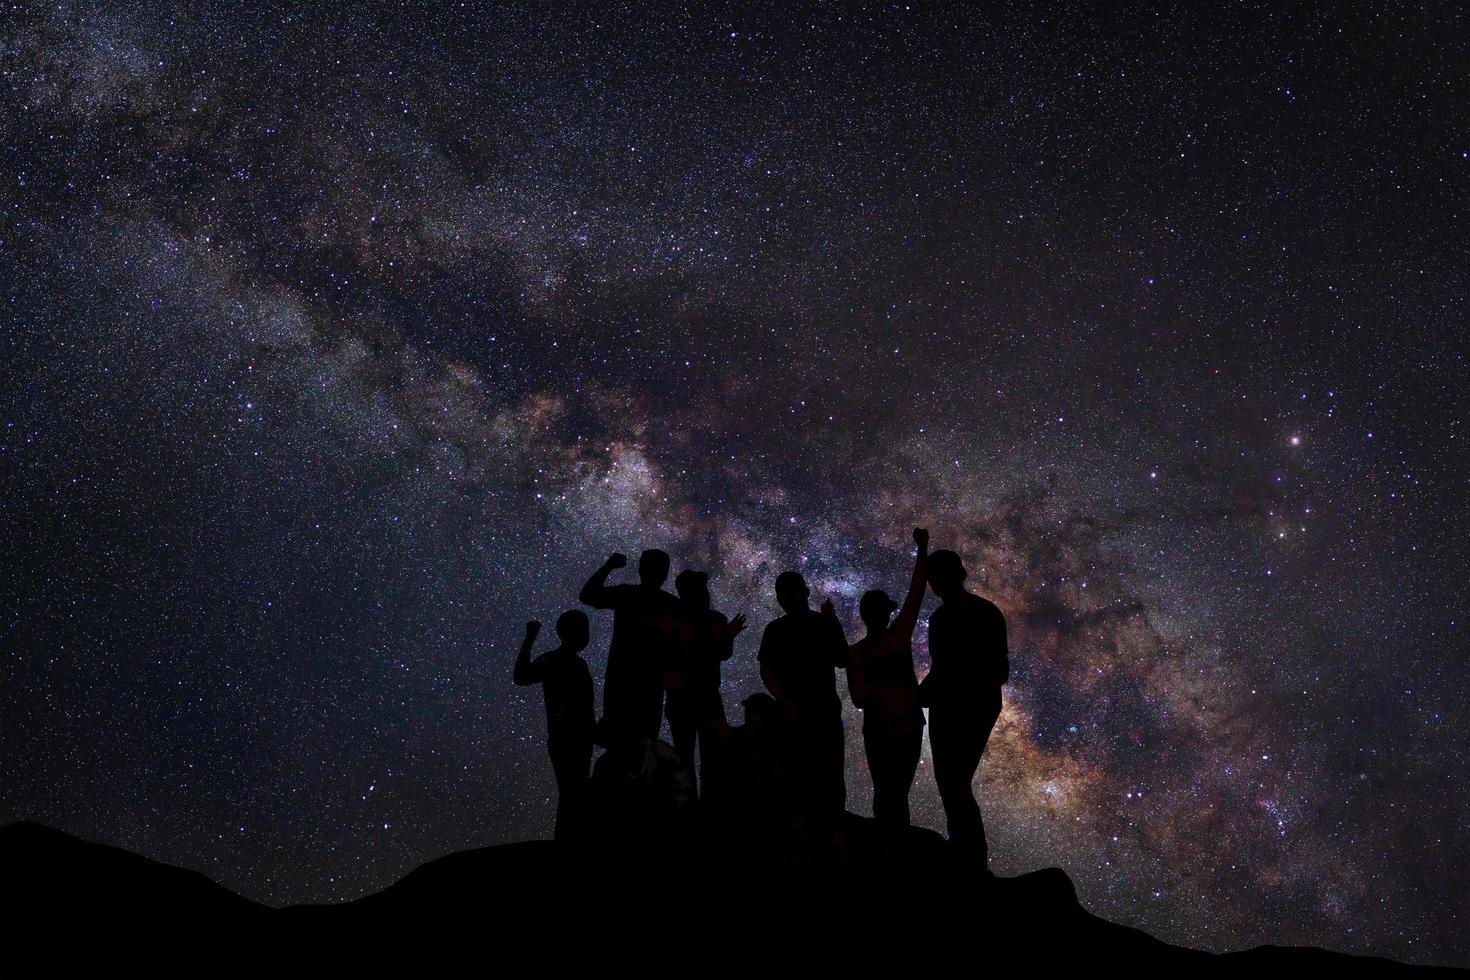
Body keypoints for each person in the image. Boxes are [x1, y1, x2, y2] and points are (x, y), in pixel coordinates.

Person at [921, 547, 1009, 870]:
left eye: (939, 575)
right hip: (949, 706)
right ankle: (966, 853)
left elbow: (999, 670)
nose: (936, 583)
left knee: (954, 781)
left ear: (959, 574)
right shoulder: (940, 619)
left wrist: (947, 684)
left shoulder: (985, 614)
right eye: (932, 578)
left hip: (972, 705)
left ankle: (970, 859)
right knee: (950, 781)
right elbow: (939, 667)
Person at [847, 528, 928, 828]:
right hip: (896, 728)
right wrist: (922, 549)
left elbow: (916, 593)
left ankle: (890, 849)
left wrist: (923, 550)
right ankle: (893, 851)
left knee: (889, 794)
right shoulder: (890, 641)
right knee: (890, 794)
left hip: (894, 728)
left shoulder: (860, 652)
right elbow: (915, 594)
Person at [757, 571, 849, 824]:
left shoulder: (775, 629)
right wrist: (832, 619)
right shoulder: (823, 623)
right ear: (806, 592)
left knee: (798, 777)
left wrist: (783, 700)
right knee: (829, 778)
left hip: (796, 714)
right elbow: (842, 659)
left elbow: (766, 670)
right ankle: (832, 832)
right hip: (823, 712)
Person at [580, 550, 681, 744]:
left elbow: (588, 595)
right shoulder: (672, 605)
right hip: (648, 685)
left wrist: (608, 566)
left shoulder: (627, 594)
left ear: (641, 569)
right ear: (665, 573)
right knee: (643, 746)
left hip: (624, 682)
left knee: (619, 745)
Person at [512, 612, 595, 841]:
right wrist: (529, 639)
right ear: (567, 633)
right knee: (572, 794)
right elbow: (521, 676)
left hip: (579, 739)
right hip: (566, 738)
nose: (586, 635)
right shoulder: (555, 660)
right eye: (581, 629)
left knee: (575, 794)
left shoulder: (578, 663)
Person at [665, 569, 746, 797]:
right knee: (687, 756)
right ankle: (693, 810)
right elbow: (706, 654)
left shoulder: (712, 619)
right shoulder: (677, 621)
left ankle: (707, 809)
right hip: (687, 696)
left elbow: (722, 654)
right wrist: (727, 635)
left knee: (710, 757)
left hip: (703, 695)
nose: (705, 595)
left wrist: (728, 635)